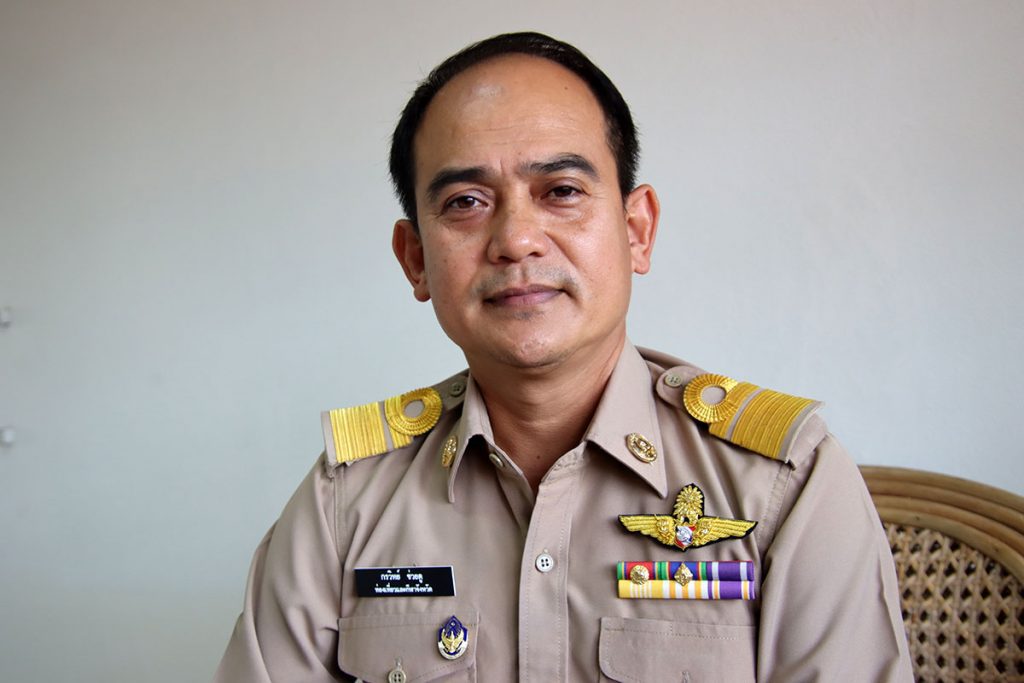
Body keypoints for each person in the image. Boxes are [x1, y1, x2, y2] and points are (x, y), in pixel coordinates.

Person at [215, 32, 913, 682]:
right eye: (466, 201)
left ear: (636, 231)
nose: (516, 239)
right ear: (416, 259)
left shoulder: (785, 485)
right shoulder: (347, 501)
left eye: (562, 191)